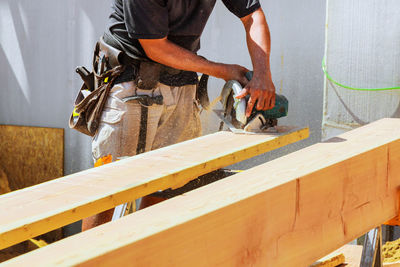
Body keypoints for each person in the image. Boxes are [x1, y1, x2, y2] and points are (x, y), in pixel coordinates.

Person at [82, 0, 276, 231]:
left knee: (172, 185)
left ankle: (147, 255)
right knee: (110, 191)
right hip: (133, 80)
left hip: (182, 79)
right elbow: (155, 47)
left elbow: (252, 16)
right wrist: (222, 70)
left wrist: (263, 75)